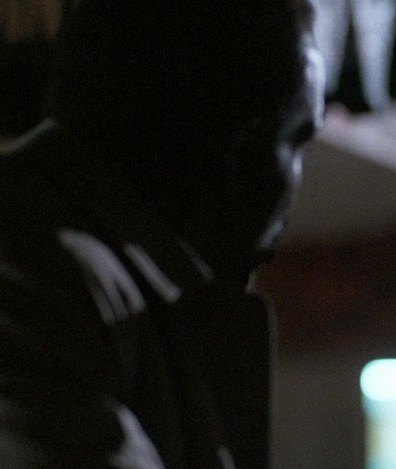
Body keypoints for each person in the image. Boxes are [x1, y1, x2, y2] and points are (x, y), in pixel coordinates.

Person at [0, 0, 324, 467]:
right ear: (229, 138)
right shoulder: (34, 278)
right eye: (295, 139)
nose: (297, 181)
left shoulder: (118, 292)